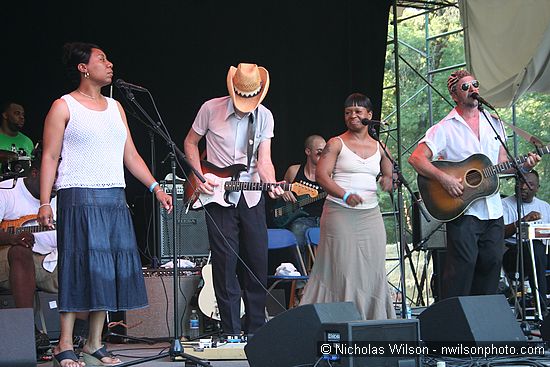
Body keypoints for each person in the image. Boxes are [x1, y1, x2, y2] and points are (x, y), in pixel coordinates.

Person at [37, 42, 173, 367]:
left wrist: (155, 187)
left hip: (113, 195)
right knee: (78, 266)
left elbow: (131, 155)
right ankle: (64, 345)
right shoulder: (64, 105)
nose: (109, 64)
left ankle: (95, 344)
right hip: (78, 195)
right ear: (83, 67)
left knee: (107, 270)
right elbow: (50, 155)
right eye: (101, 59)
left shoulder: (115, 107)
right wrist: (44, 201)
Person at [408, 69, 540, 300]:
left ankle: (483, 321)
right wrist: (445, 179)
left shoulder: (494, 122)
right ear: (455, 95)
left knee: (491, 264)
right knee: (462, 268)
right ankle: (454, 322)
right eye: (466, 87)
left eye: (475, 84)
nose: (473, 89)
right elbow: (416, 158)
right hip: (463, 208)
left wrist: (525, 166)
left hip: (493, 209)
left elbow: (501, 164)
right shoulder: (445, 127)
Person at [183, 63, 284, 336]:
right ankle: (230, 330)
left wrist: (272, 184)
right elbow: (190, 142)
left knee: (257, 262)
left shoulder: (264, 116)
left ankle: (256, 331)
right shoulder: (210, 109)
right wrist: (198, 174)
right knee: (224, 263)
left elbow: (265, 160)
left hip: (251, 196)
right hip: (216, 195)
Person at [300, 93, 396, 320]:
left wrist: (387, 180)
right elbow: (322, 177)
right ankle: (338, 320)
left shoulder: (379, 145)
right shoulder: (335, 143)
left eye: (358, 111)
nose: (352, 115)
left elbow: (389, 172)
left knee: (372, 267)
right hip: (339, 212)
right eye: (347, 112)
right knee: (343, 269)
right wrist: (345, 195)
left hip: (370, 215)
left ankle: (372, 320)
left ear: (369, 116)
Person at [0, 148, 57, 350]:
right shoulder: (6, 190)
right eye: (52, 176)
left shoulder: (62, 196)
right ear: (35, 172)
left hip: (49, 262)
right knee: (20, 251)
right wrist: (12, 238)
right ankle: (26, 330)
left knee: (86, 258)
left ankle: (79, 334)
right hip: (10, 263)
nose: (56, 182)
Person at [501, 170, 550, 312]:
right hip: (513, 256)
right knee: (536, 248)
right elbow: (499, 233)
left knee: (538, 249)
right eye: (520, 182)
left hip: (539, 256)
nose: (523, 187)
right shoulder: (504, 205)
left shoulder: (545, 207)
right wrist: (522, 221)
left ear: (537, 188)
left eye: (529, 184)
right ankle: (542, 307)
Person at [279, 135, 327, 247]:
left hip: (324, 218)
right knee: (297, 229)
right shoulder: (294, 171)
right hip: (301, 218)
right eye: (319, 152)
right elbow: (277, 190)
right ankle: (301, 265)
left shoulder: (330, 174)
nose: (323, 156)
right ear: (308, 151)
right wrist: (283, 192)